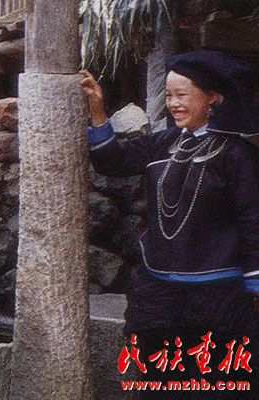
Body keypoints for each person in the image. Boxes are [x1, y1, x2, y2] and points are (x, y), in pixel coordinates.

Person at [81, 51, 259, 398]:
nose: (173, 104)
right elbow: (112, 161)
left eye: (182, 94)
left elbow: (253, 219)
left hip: (217, 295)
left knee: (216, 385)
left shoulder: (237, 154)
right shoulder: (164, 143)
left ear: (212, 97)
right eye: (169, 95)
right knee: (158, 381)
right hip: (158, 293)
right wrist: (97, 110)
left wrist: (255, 286)